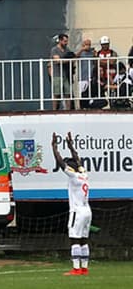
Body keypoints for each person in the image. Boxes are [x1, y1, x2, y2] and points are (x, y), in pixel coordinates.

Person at [52, 132, 91, 276]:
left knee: (74, 239)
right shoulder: (84, 173)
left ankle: (76, 269)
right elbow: (78, 160)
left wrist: (54, 147)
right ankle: (84, 268)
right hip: (87, 210)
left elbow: (60, 162)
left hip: (77, 211)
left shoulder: (74, 176)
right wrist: (71, 146)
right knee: (84, 239)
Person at [50, 33, 72, 111]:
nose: (66, 43)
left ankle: (68, 110)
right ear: (60, 41)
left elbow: (72, 56)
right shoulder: (54, 49)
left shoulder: (67, 49)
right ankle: (54, 110)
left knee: (68, 93)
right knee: (56, 94)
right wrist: (69, 60)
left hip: (65, 75)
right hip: (57, 75)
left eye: (67, 41)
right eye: (64, 41)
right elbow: (57, 60)